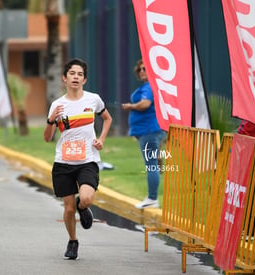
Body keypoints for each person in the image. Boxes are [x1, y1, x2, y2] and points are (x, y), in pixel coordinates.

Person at [43, 58, 112, 260]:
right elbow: (48, 138)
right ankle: (73, 241)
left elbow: (107, 118)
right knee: (68, 208)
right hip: (63, 162)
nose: (76, 77)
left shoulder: (93, 99)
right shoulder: (57, 105)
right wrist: (51, 120)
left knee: (87, 198)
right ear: (65, 78)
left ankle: (84, 207)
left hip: (87, 160)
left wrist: (101, 139)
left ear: (85, 79)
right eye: (72, 73)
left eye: (80, 74)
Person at [122, 59, 166, 209]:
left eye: (145, 69)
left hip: (149, 131)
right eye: (140, 69)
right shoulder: (149, 86)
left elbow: (145, 104)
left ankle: (152, 199)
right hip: (147, 131)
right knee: (153, 164)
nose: (141, 71)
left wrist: (130, 106)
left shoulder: (149, 86)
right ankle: (151, 197)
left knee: (151, 165)